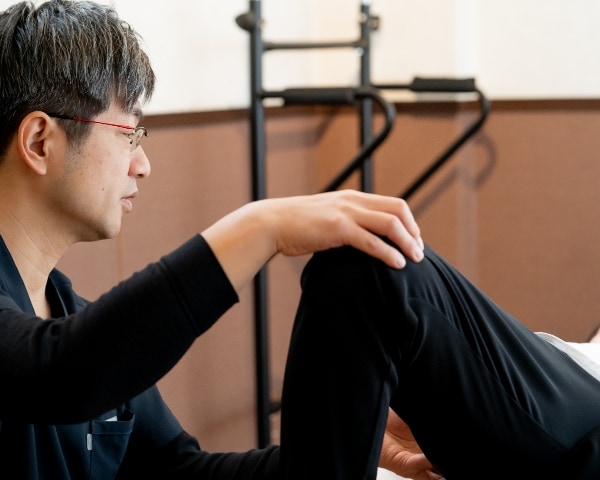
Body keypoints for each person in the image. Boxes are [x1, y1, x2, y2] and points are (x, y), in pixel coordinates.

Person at [1, 2, 599, 480]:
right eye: (128, 133)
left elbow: (177, 471)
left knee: (369, 272)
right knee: (367, 275)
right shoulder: (66, 349)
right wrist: (263, 226)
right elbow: (61, 373)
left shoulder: (67, 310)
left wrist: (350, 436)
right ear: (40, 142)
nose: (143, 163)